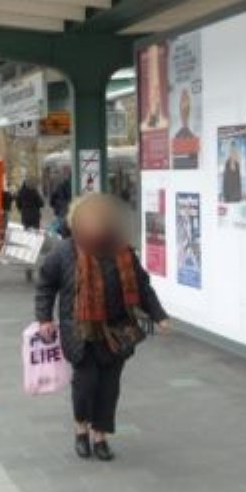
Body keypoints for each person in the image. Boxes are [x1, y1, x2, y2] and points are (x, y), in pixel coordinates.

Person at [35, 193, 168, 462]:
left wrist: (158, 315)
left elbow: (142, 286)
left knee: (109, 387)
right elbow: (46, 285)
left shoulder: (123, 251)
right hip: (80, 332)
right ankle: (80, 429)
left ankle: (100, 436)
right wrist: (44, 318)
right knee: (85, 384)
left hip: (117, 332)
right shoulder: (64, 252)